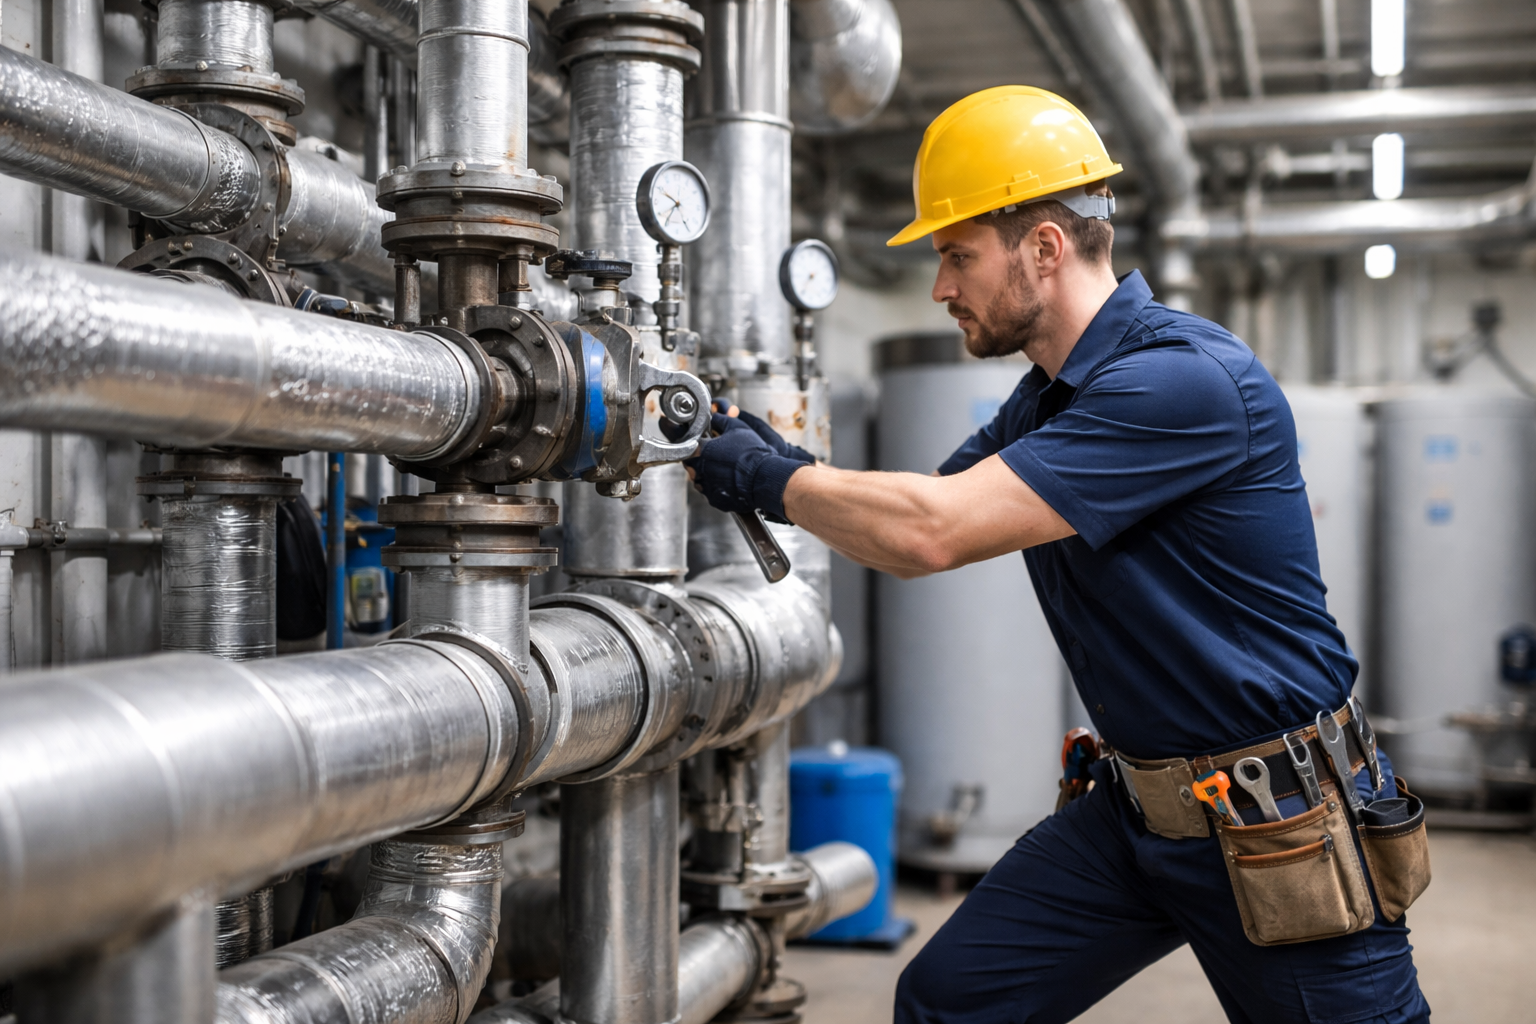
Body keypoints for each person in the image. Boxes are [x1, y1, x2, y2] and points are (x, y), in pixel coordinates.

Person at [685, 86, 1430, 1023]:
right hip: (1140, 813)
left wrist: (762, 478)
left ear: (1043, 246)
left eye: (957, 256)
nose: (940, 287)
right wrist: (780, 459)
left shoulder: (1179, 381)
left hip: (1277, 820)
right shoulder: (1048, 397)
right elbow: (916, 516)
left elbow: (929, 529)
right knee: (948, 1002)